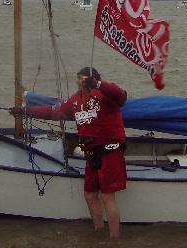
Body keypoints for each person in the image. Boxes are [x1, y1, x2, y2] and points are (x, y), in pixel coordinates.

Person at [10, 67, 127, 240]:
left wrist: (98, 84)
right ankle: (99, 233)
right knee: (90, 195)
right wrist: (25, 112)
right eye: (77, 78)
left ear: (92, 79)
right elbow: (52, 111)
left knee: (107, 197)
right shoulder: (74, 100)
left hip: (110, 151)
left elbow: (121, 96)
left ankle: (114, 239)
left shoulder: (106, 96)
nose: (78, 81)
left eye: (82, 78)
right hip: (91, 153)